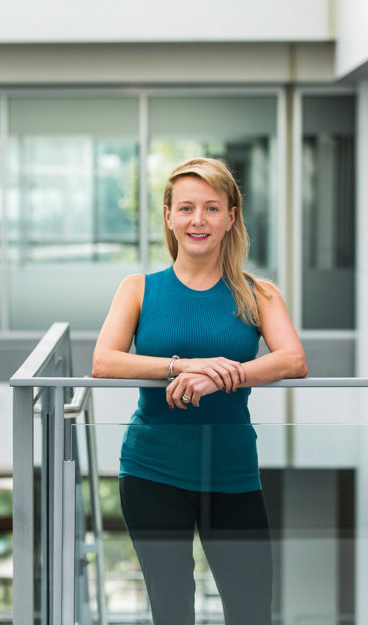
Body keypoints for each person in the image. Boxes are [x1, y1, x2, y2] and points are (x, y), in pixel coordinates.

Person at [92, 157, 307, 625]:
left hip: (232, 471)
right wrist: (184, 366)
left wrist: (218, 376)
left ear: (231, 217)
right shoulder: (138, 288)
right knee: (171, 612)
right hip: (151, 469)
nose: (198, 220)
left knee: (252, 613)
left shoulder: (258, 293)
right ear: (168, 216)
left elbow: (293, 359)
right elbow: (104, 361)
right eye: (186, 208)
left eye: (212, 208)